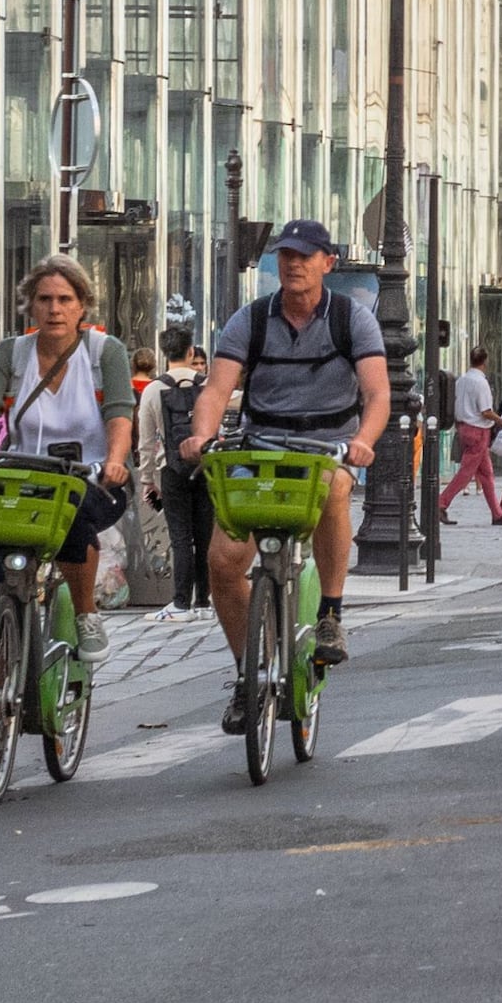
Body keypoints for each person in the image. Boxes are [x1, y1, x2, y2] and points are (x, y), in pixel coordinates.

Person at [196, 220, 391, 712]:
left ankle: (330, 612)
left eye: (305, 256)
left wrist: (363, 441)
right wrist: (200, 435)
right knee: (222, 563)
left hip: (328, 448)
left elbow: (376, 392)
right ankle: (250, 673)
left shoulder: (352, 319)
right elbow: (217, 389)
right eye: (285, 255)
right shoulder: (253, 319)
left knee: (334, 490)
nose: (293, 264)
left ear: (328, 263)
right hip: (260, 448)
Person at [0, 260, 138, 621]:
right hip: (26, 479)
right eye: (45, 299)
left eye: (65, 299)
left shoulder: (103, 353)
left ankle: (86, 615)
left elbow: (119, 415)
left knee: (74, 513)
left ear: (82, 305)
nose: (55, 309)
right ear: (30, 305)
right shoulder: (11, 353)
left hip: (96, 478)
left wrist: (115, 459)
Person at [152, 301, 216, 607]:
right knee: (204, 538)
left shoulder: (154, 389)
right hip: (204, 466)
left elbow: (146, 442)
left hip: (171, 469)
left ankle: (180, 600)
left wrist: (148, 481)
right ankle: (204, 598)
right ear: (191, 352)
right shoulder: (207, 386)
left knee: (180, 539)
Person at [443, 350, 502, 523]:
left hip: (464, 426)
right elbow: (485, 411)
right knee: (466, 472)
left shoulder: (461, 380)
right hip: (478, 429)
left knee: (486, 473)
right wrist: (501, 421)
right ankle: (442, 502)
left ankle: (497, 512)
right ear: (485, 361)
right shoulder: (480, 383)